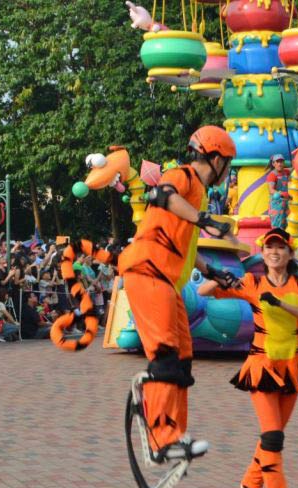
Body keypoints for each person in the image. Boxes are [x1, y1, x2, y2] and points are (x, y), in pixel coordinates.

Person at [117, 125, 240, 464]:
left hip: (166, 281)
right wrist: (205, 220)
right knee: (166, 355)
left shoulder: (197, 192)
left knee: (184, 357)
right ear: (215, 159)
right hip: (147, 271)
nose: (227, 173)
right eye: (227, 165)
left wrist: (213, 270)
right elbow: (163, 195)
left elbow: (186, 242)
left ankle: (175, 432)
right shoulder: (183, 176)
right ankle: (161, 438)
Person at [199, 228, 298, 488]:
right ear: (263, 253)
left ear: (289, 253)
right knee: (273, 436)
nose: (274, 252)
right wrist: (234, 272)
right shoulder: (252, 282)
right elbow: (204, 292)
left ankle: (249, 486)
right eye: (269, 247)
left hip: (293, 368)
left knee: (272, 436)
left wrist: (280, 303)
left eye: (280, 247)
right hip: (261, 367)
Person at [265, 155, 290, 230]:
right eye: (277, 162)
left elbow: (295, 169)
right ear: (273, 164)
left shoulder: (286, 172)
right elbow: (271, 190)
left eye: (281, 162)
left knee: (287, 224)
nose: (280, 164)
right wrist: (282, 193)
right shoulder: (272, 175)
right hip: (276, 204)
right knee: (277, 225)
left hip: (286, 203)